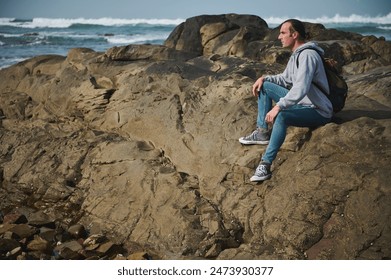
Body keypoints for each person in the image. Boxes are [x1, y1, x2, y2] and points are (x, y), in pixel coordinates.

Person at [239, 19, 333, 182]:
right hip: (303, 104)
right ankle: (262, 133)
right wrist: (264, 78)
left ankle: (265, 165)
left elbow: (301, 88)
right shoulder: (297, 55)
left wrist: (278, 107)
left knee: (281, 116)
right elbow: (285, 79)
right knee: (266, 85)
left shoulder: (308, 55)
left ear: (294, 34)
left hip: (318, 110)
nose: (278, 37)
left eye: (283, 33)